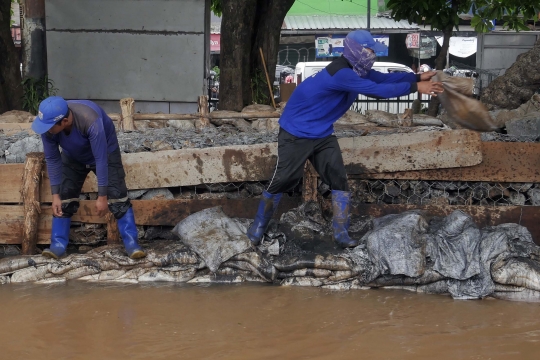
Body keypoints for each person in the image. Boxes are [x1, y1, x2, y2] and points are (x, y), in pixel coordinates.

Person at [247, 30, 443, 249]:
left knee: (338, 179)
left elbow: (384, 78)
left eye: (373, 52)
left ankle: (340, 234)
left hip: (322, 133)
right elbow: (378, 91)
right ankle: (256, 229)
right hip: (297, 132)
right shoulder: (342, 74)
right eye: (369, 51)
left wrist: (415, 77)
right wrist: (416, 87)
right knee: (282, 179)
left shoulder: (357, 70)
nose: (372, 56)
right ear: (355, 51)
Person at [31, 96, 146, 259]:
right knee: (64, 196)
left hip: (104, 153)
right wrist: (55, 195)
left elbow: (101, 158)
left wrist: (102, 196)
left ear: (64, 122)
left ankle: (132, 244)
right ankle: (57, 246)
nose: (45, 130)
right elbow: (52, 158)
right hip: (72, 156)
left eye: (48, 127)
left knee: (118, 196)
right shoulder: (49, 127)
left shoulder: (90, 121)